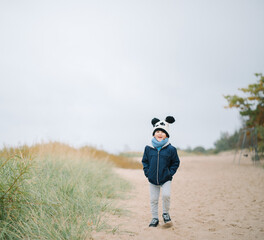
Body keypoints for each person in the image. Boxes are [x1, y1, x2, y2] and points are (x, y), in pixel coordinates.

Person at [142, 116, 180, 227]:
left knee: (166, 195)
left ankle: (166, 214)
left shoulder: (171, 149)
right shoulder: (148, 148)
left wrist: (170, 173)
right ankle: (154, 218)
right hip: (152, 178)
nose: (159, 134)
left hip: (166, 178)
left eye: (162, 132)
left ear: (166, 135)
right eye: (157, 131)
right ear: (154, 134)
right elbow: (145, 161)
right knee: (153, 199)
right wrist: (147, 173)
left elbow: (176, 162)